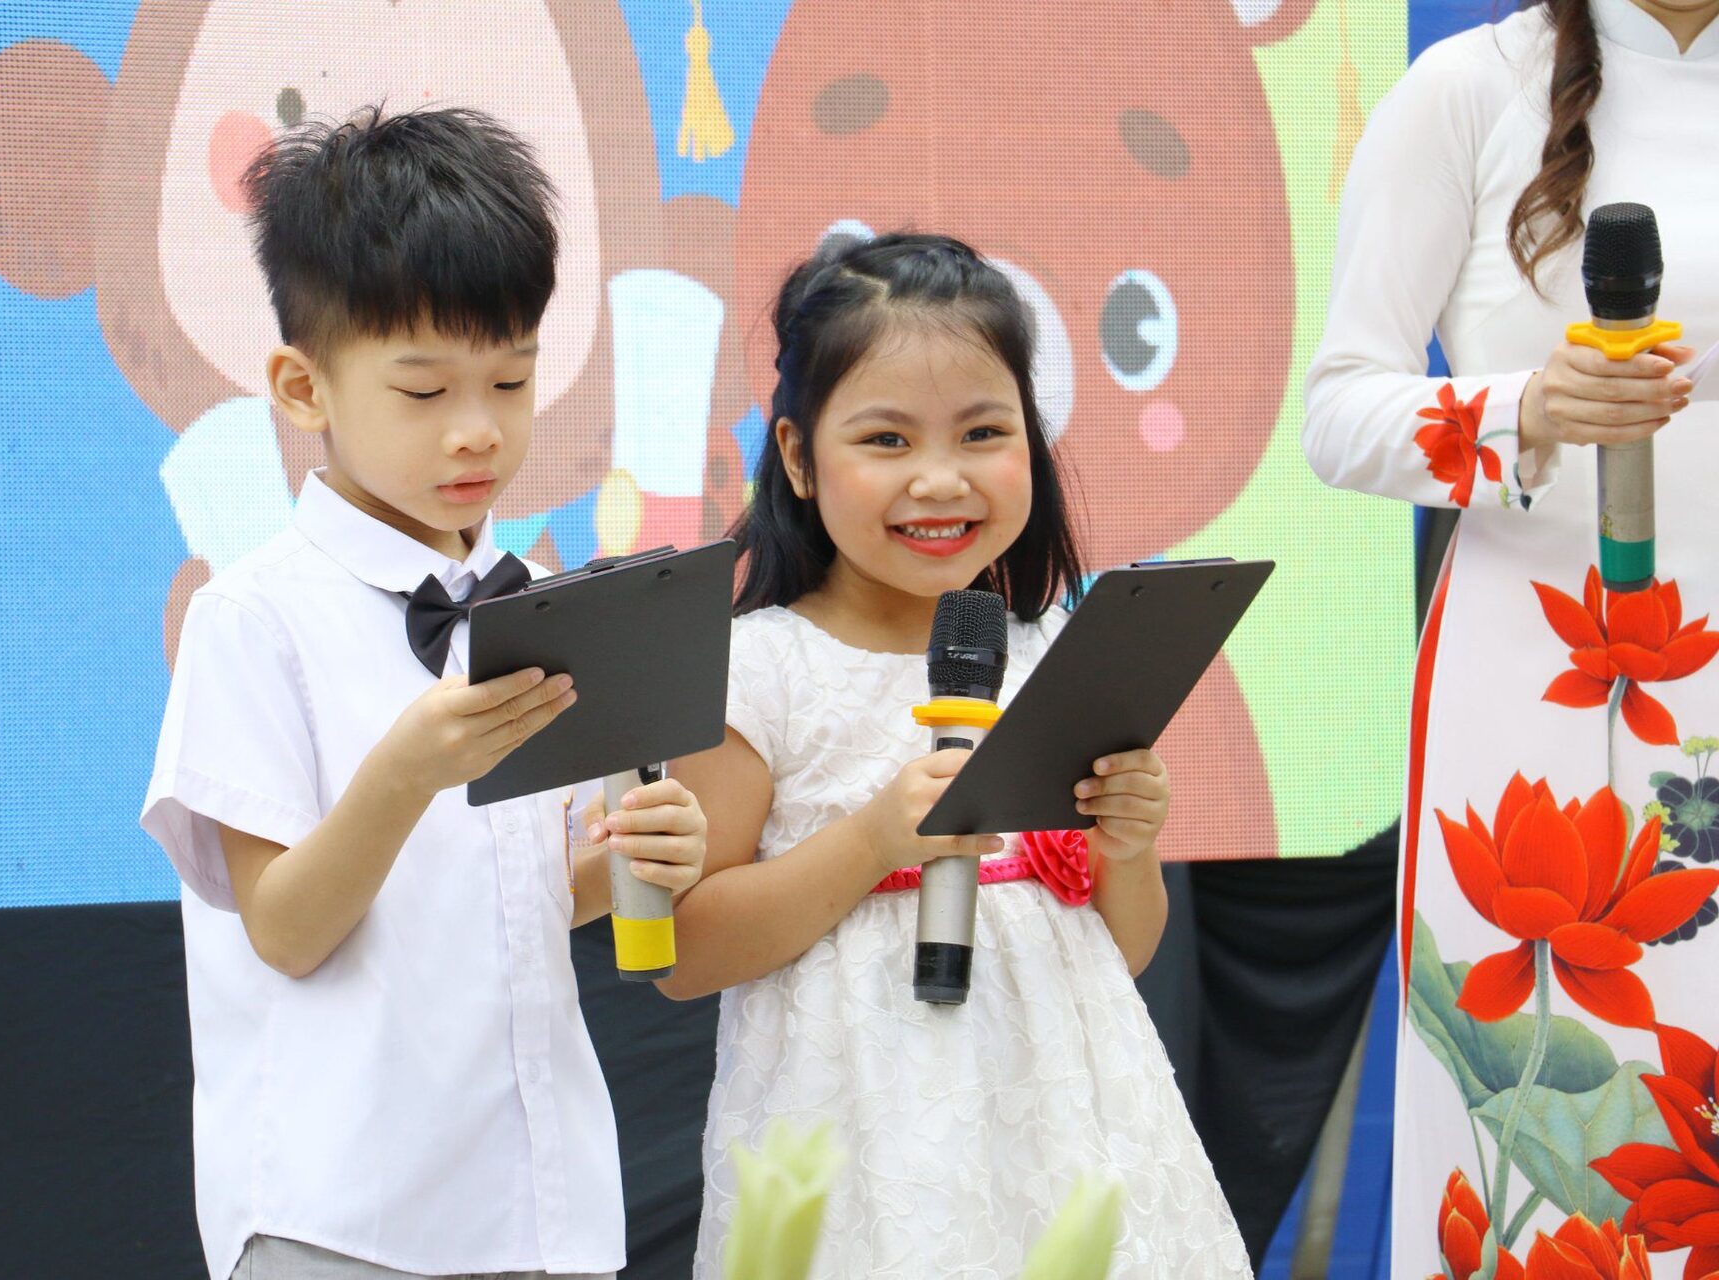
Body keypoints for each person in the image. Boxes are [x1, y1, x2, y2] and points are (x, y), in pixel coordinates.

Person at [140, 105, 709, 1280]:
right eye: (422, 391)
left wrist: (632, 855)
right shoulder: (253, 620)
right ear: (302, 387)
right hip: (340, 1213)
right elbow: (286, 927)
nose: (477, 432)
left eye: (510, 380)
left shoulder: (540, 598)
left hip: (539, 1201)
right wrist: (405, 772)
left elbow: (526, 893)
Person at [663, 232, 1252, 1278]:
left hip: (1068, 1137)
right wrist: (874, 839)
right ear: (798, 456)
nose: (940, 480)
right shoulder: (759, 669)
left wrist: (1126, 847)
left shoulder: (1055, 653)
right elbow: (683, 952)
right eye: (886, 440)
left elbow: (1118, 951)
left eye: (983, 432)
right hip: (862, 1148)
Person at [1304, 0, 1719, 1274]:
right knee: (1558, 1124)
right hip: (1543, 687)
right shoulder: (1469, 88)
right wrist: (1526, 409)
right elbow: (1340, 412)